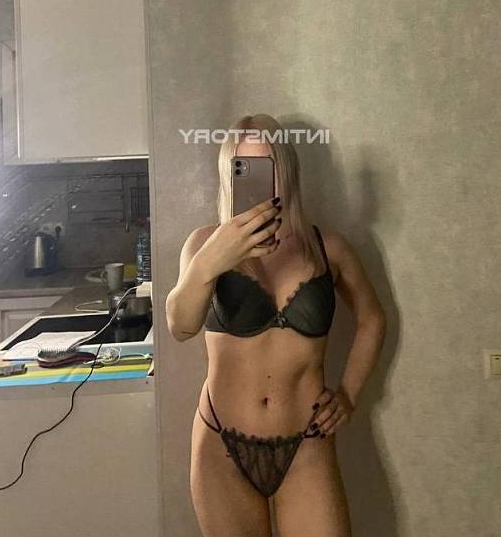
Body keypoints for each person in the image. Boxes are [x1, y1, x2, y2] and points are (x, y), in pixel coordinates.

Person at [166, 114, 387, 537]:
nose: (260, 183)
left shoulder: (328, 248)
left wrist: (348, 395)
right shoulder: (203, 244)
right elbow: (180, 325)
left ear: (285, 170)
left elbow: (372, 318)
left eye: (267, 167)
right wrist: (211, 263)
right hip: (220, 443)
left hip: (306, 443)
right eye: (243, 168)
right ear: (229, 174)